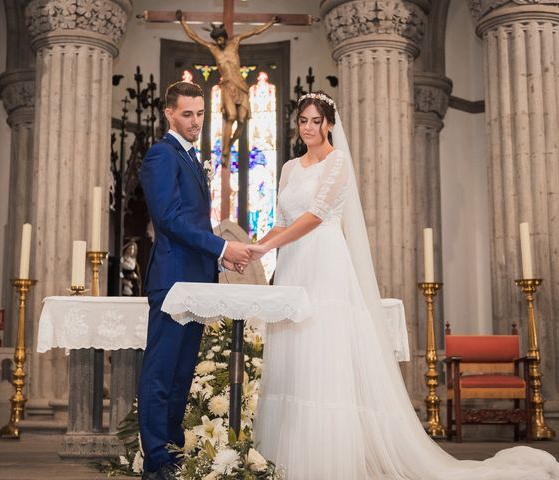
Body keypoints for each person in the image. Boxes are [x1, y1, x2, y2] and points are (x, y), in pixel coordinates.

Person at [250, 91, 559, 479]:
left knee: (321, 348)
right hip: (293, 261)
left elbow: (315, 216)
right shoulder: (290, 168)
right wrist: (256, 249)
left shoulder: (337, 162)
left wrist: (273, 243)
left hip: (323, 260)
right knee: (294, 351)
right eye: (303, 121)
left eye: (316, 120)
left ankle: (326, 457)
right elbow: (282, 219)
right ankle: (284, 456)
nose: (309, 128)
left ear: (329, 124)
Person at [138, 81, 251, 480]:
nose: (195, 122)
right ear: (169, 113)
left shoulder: (189, 157)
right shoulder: (161, 156)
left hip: (195, 281)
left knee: (181, 373)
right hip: (172, 282)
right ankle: (155, 462)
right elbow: (168, 220)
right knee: (160, 372)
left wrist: (219, 260)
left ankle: (170, 451)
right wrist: (222, 249)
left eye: (200, 114)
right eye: (187, 114)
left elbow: (194, 222)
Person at [176, 9, 278, 220]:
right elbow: (195, 37)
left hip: (240, 85)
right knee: (230, 116)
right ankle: (224, 149)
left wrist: (271, 23)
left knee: (242, 119)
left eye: (222, 38)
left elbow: (255, 32)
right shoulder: (215, 50)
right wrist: (183, 21)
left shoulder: (235, 42)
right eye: (218, 39)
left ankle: (230, 144)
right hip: (226, 87)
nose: (221, 41)